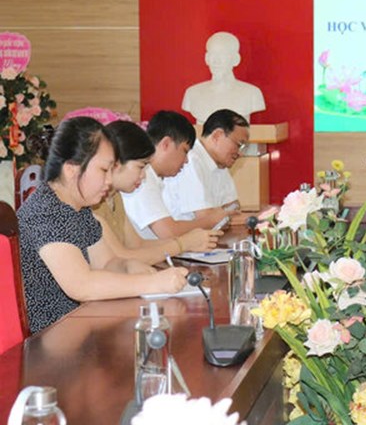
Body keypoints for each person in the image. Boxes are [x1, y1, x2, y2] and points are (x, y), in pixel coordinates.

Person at [18, 117, 188, 333]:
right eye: (103, 170)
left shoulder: (79, 209)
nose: (109, 180)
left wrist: (129, 267)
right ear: (71, 169)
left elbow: (106, 263)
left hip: (77, 327)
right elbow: (81, 285)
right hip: (49, 337)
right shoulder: (46, 211)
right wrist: (153, 284)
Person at [93, 120, 222, 264]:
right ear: (115, 164)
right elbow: (120, 257)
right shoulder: (94, 205)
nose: (143, 175)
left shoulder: (115, 197)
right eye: (140, 167)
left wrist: (187, 242)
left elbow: (137, 244)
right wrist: (182, 244)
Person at [121, 110, 234, 240]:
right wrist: (210, 221)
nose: (186, 161)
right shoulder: (143, 178)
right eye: (184, 151)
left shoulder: (153, 177)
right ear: (166, 144)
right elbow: (169, 232)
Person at [163, 109, 248, 221]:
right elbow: (206, 218)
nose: (240, 154)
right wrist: (221, 213)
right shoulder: (191, 161)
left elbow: (234, 206)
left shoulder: (220, 163)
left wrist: (220, 213)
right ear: (217, 136)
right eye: (239, 145)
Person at [181, 32, 266, 124]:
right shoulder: (192, 93)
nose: (216, 61)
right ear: (207, 58)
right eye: (213, 54)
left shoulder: (252, 93)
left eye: (223, 54)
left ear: (236, 59)